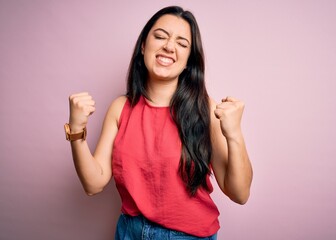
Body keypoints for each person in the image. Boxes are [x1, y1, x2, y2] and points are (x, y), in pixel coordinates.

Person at [65, 5, 253, 240]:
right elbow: (93, 183)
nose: (169, 46)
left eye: (182, 44)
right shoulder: (120, 108)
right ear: (144, 45)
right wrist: (76, 130)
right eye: (160, 36)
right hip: (129, 232)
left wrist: (234, 134)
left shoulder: (206, 109)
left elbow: (240, 193)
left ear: (188, 61)